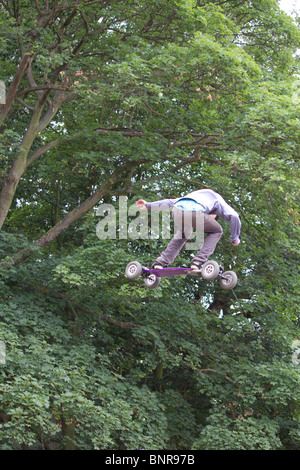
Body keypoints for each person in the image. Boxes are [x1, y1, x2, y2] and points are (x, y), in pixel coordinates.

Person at [136, 188, 241, 270]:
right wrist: (234, 238)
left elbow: (169, 202)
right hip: (194, 212)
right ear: (213, 214)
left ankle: (161, 262)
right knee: (217, 230)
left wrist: (148, 205)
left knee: (185, 232)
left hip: (177, 210)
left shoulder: (195, 196)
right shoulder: (217, 200)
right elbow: (234, 216)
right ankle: (198, 261)